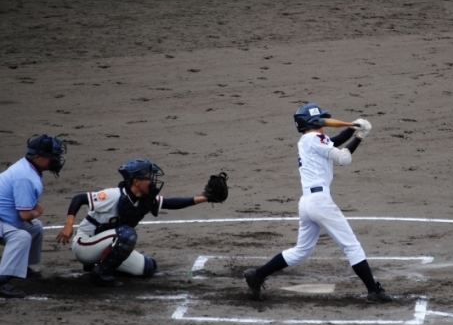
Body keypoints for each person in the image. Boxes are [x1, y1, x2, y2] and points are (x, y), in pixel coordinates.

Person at [244, 103, 393, 303]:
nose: (325, 123)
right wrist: (359, 137)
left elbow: (333, 142)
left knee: (302, 250)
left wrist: (352, 128)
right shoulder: (315, 139)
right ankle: (374, 291)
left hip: (307, 203)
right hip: (321, 203)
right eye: (321, 120)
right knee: (351, 246)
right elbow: (343, 158)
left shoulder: (307, 140)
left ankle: (258, 275)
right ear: (314, 122)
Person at [56, 158, 214, 287]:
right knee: (127, 235)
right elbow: (79, 198)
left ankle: (98, 263)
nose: (153, 181)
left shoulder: (144, 199)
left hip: (105, 244)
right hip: (85, 244)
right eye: (149, 177)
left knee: (148, 267)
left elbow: (171, 203)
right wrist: (69, 224)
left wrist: (205, 198)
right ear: (136, 181)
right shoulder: (114, 195)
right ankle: (100, 274)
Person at [0, 134, 67, 298]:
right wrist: (37, 212)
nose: (56, 160)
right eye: (52, 156)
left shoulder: (28, 168)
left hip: (3, 218)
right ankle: (2, 281)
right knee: (21, 237)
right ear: (38, 157)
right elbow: (25, 215)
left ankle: (20, 267)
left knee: (35, 228)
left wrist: (32, 213)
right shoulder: (25, 177)